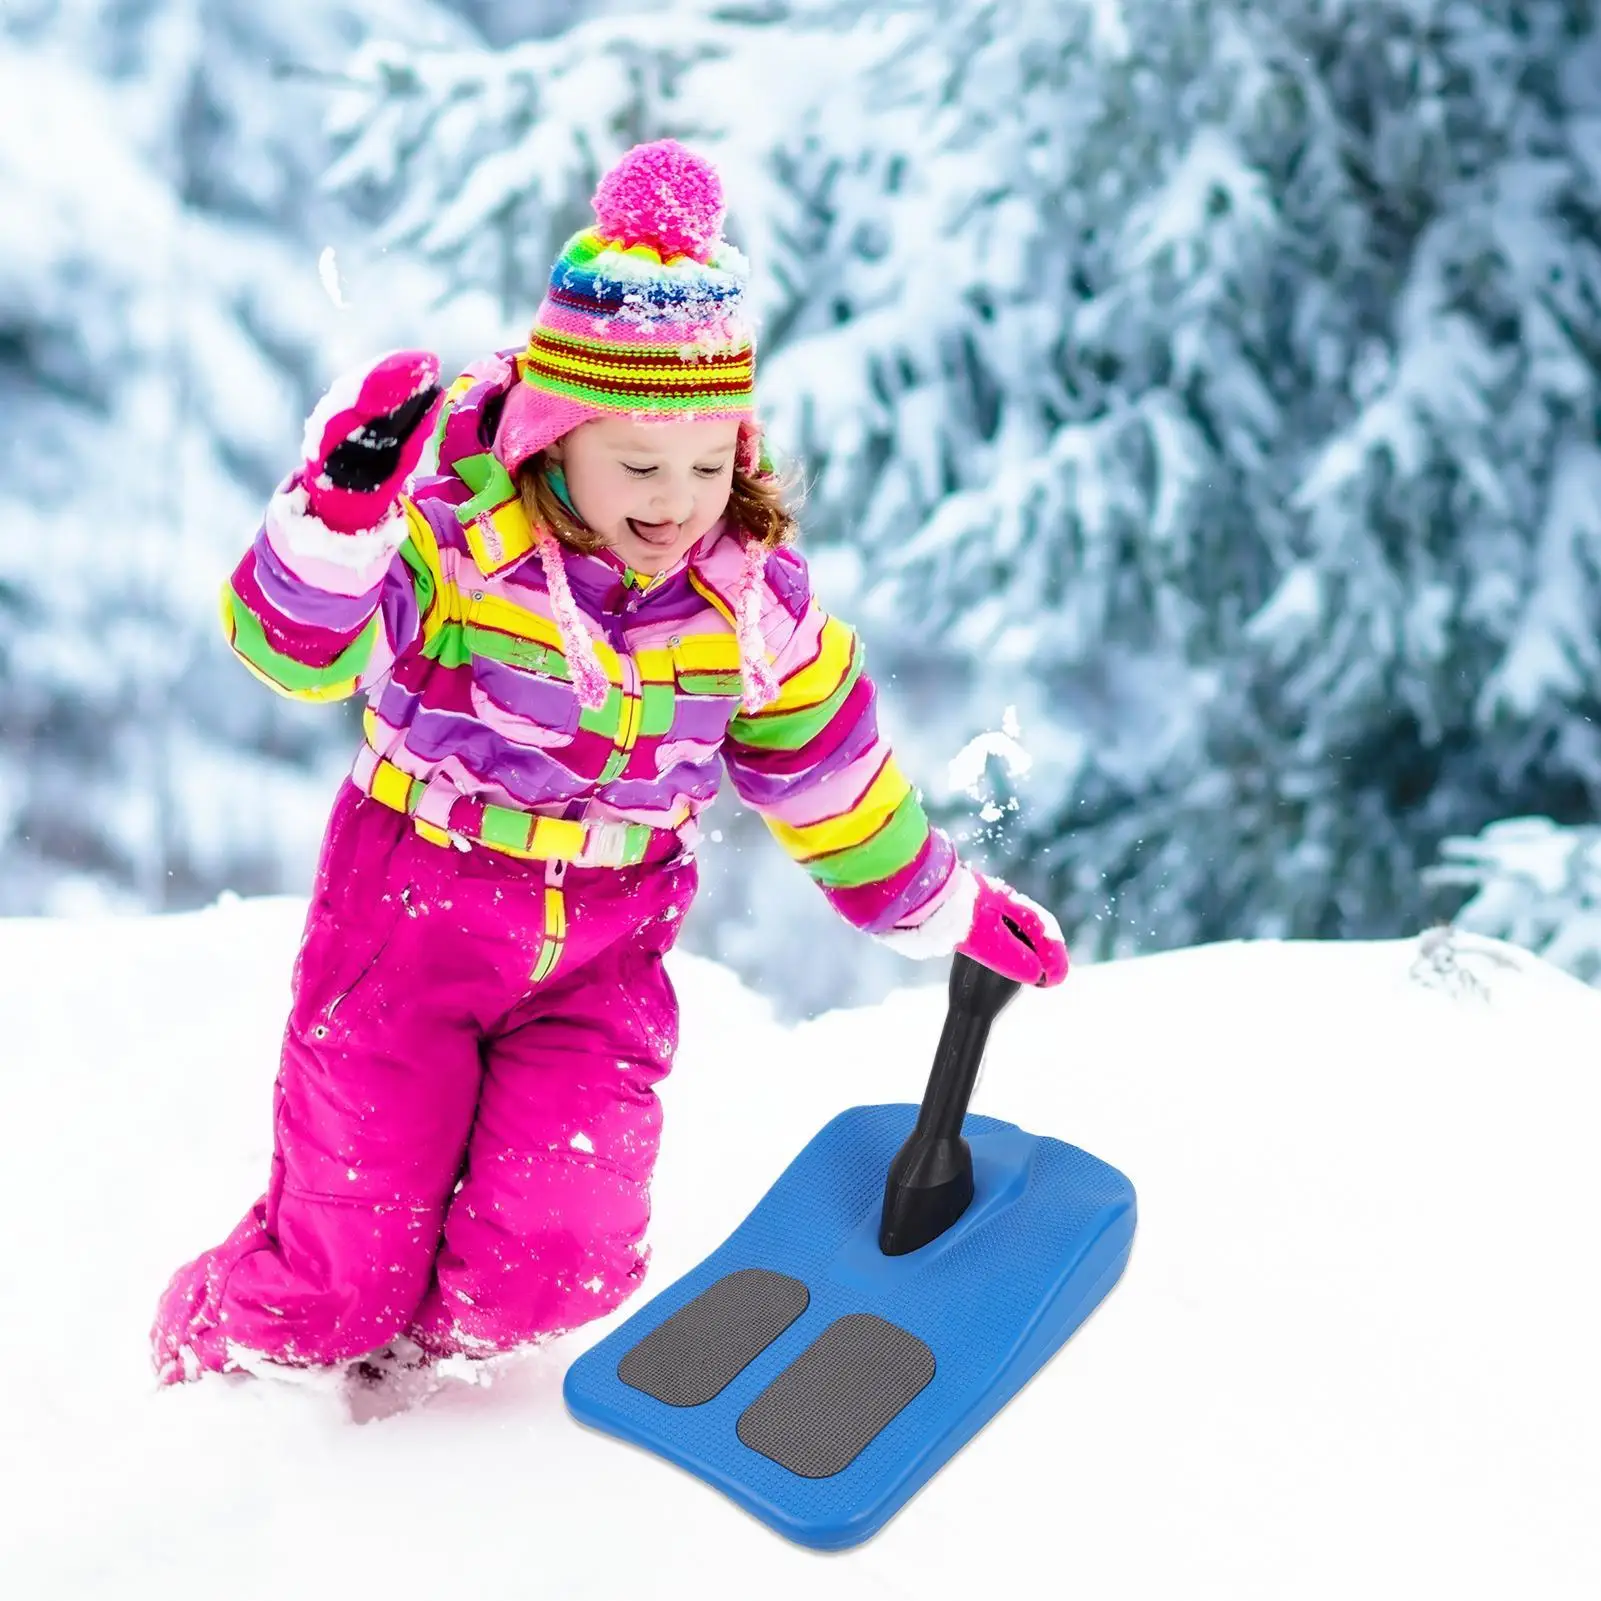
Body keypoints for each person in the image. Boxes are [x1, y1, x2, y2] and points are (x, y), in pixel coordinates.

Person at [150, 139, 1068, 1388]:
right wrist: (345, 518)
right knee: (341, 1269)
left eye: (707, 463)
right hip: (407, 918)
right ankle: (222, 1362)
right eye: (637, 463)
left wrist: (942, 902)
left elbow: (826, 770)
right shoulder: (460, 541)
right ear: (553, 434)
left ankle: (417, 1407)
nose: (676, 497)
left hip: (602, 951)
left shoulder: (746, 602)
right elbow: (296, 650)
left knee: (559, 1257)